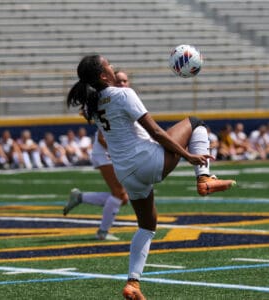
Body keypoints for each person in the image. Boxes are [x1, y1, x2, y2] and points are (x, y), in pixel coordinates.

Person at [66, 54, 236, 300]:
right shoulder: (124, 94)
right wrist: (187, 155)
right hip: (145, 161)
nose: (113, 67)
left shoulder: (93, 104)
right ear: (104, 75)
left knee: (146, 226)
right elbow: (155, 132)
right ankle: (204, 178)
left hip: (125, 173)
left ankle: (133, 283)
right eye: (109, 65)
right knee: (196, 122)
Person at [63, 71, 130, 241]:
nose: (122, 83)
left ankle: (80, 197)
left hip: (112, 151)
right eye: (118, 81)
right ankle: (102, 232)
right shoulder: (109, 99)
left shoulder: (124, 98)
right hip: (105, 152)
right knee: (119, 193)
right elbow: (102, 135)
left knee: (123, 197)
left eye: (125, 80)